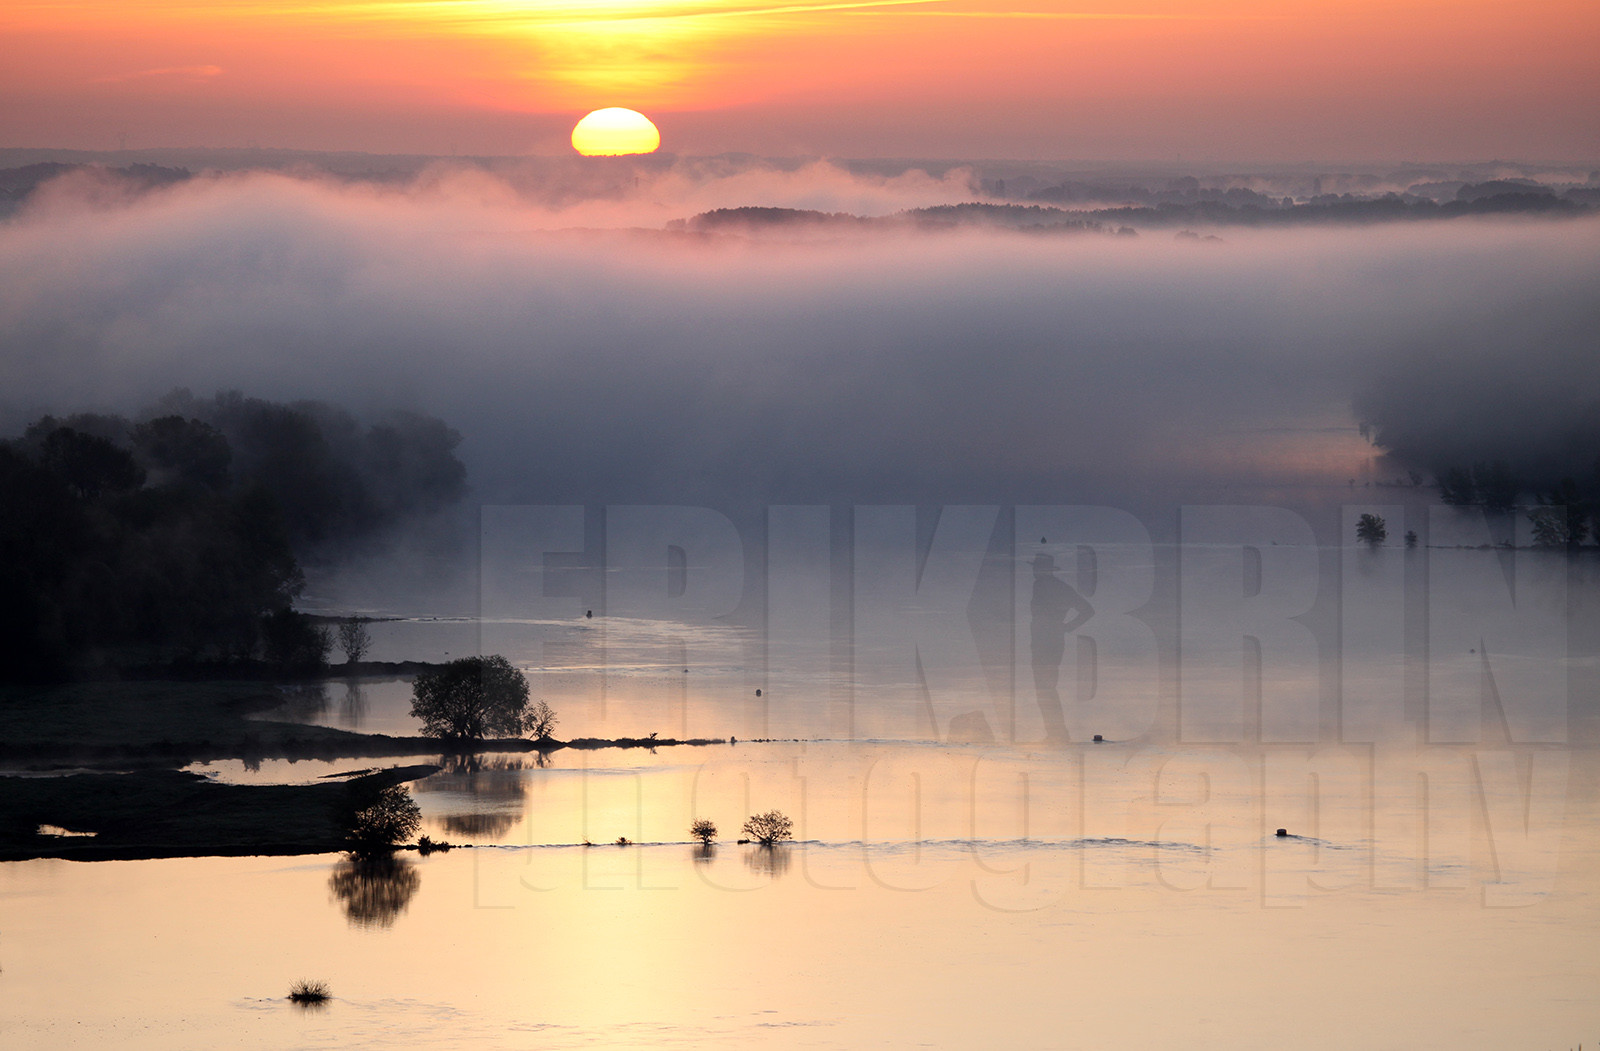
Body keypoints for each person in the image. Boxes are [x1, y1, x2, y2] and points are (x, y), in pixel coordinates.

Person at [1029, 552, 1094, 742]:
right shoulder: (1041, 585)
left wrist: (1066, 627)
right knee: (1044, 689)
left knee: (1046, 688)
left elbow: (1088, 610)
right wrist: (1065, 627)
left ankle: (1057, 734)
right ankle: (1055, 733)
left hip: (1049, 643)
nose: (1034, 571)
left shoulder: (1056, 588)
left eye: (1036, 568)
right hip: (1042, 641)